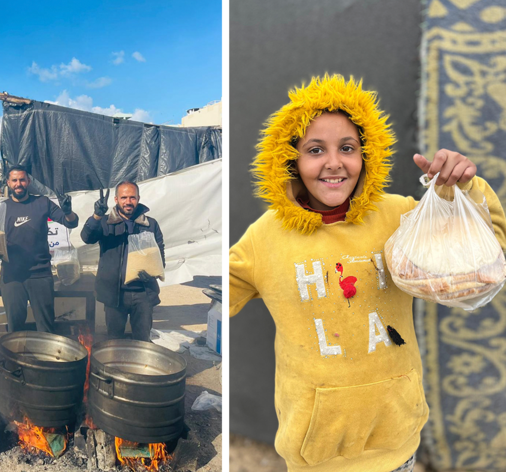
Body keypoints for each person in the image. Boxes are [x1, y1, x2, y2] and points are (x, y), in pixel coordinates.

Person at [229, 74, 506, 472]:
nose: (333, 162)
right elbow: (225, 290)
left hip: (396, 448)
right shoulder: (265, 238)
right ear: (289, 159)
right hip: (317, 457)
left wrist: (464, 190)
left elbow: (489, 253)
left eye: (347, 147)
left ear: (367, 155)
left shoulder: (400, 217)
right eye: (314, 150)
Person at [0, 166, 78, 333]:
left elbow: (71, 222)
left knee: (45, 326)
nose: (19, 184)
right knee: (15, 327)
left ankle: (46, 359)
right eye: (14, 180)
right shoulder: (1, 208)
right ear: (8, 183)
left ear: (28, 182)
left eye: (22, 180)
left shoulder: (42, 202)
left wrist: (68, 212)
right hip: (12, 276)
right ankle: (15, 359)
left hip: (40, 274)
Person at [80, 181, 165, 342]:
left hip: (143, 293)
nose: (128, 202)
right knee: (114, 339)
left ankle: (139, 366)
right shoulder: (105, 222)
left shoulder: (150, 224)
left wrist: (153, 273)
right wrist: (96, 216)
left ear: (138, 198)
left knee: (142, 338)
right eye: (124, 197)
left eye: (132, 197)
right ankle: (115, 367)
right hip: (115, 293)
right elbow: (87, 238)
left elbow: (160, 254)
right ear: (116, 199)